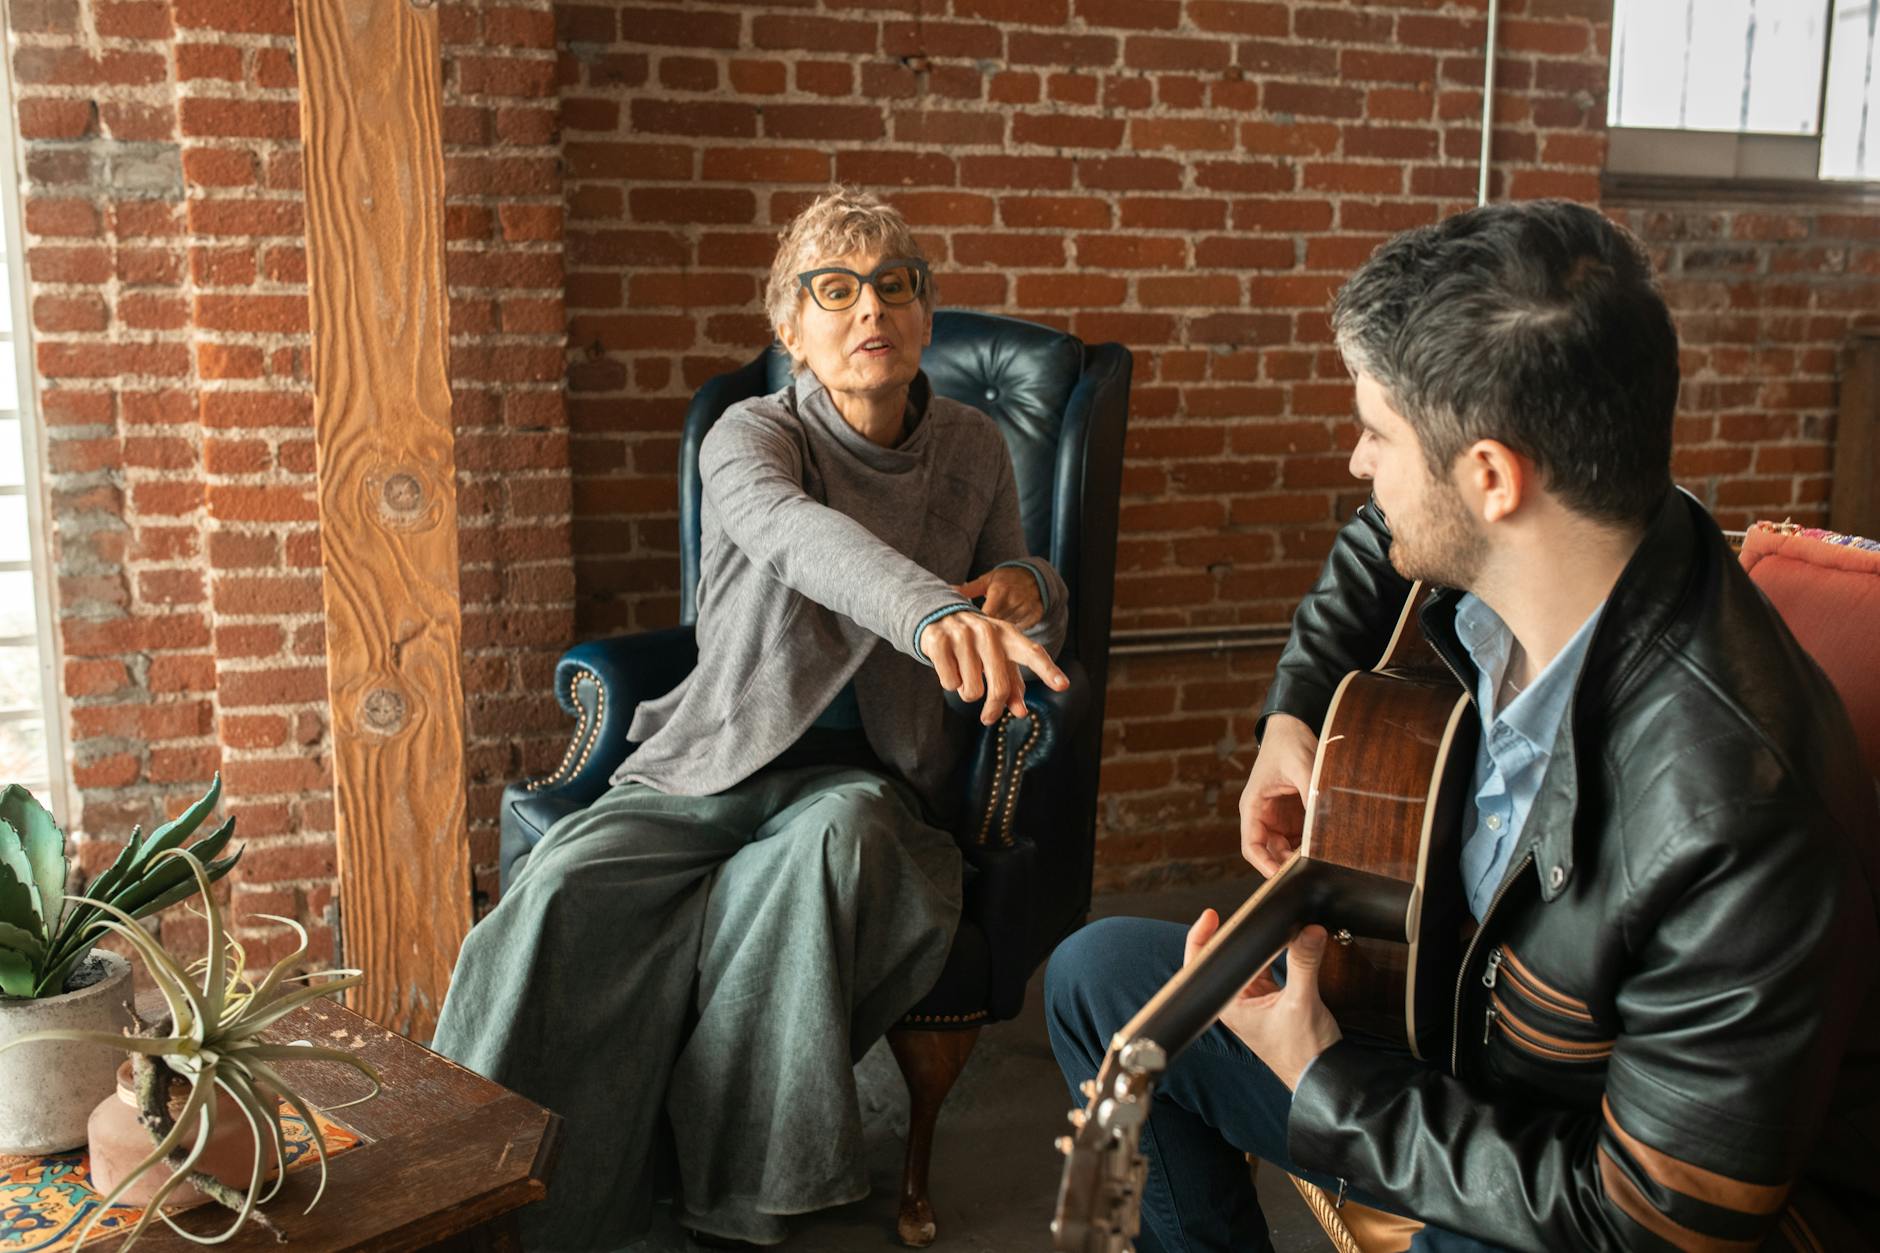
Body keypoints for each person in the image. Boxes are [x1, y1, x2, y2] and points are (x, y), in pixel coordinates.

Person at [1046, 200, 1880, 1251]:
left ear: (1489, 476)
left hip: (1602, 1188)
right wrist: (1291, 712)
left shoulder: (1731, 813)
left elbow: (1650, 1220)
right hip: (1464, 1052)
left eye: (1377, 432)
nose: (1358, 463)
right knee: (1098, 981)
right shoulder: (1586, 525)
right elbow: (1376, 543)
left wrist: (1324, 1076)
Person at [434, 187, 1070, 1250]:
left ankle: (737, 1200)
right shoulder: (749, 435)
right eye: (834, 290)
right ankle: (480, 1196)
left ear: (925, 313)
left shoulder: (973, 445)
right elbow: (795, 536)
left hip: (868, 778)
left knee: (832, 847)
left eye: (893, 285)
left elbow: (1022, 576)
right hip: (714, 758)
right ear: (790, 327)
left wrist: (1026, 584)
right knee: (557, 892)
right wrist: (928, 610)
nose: (869, 308)